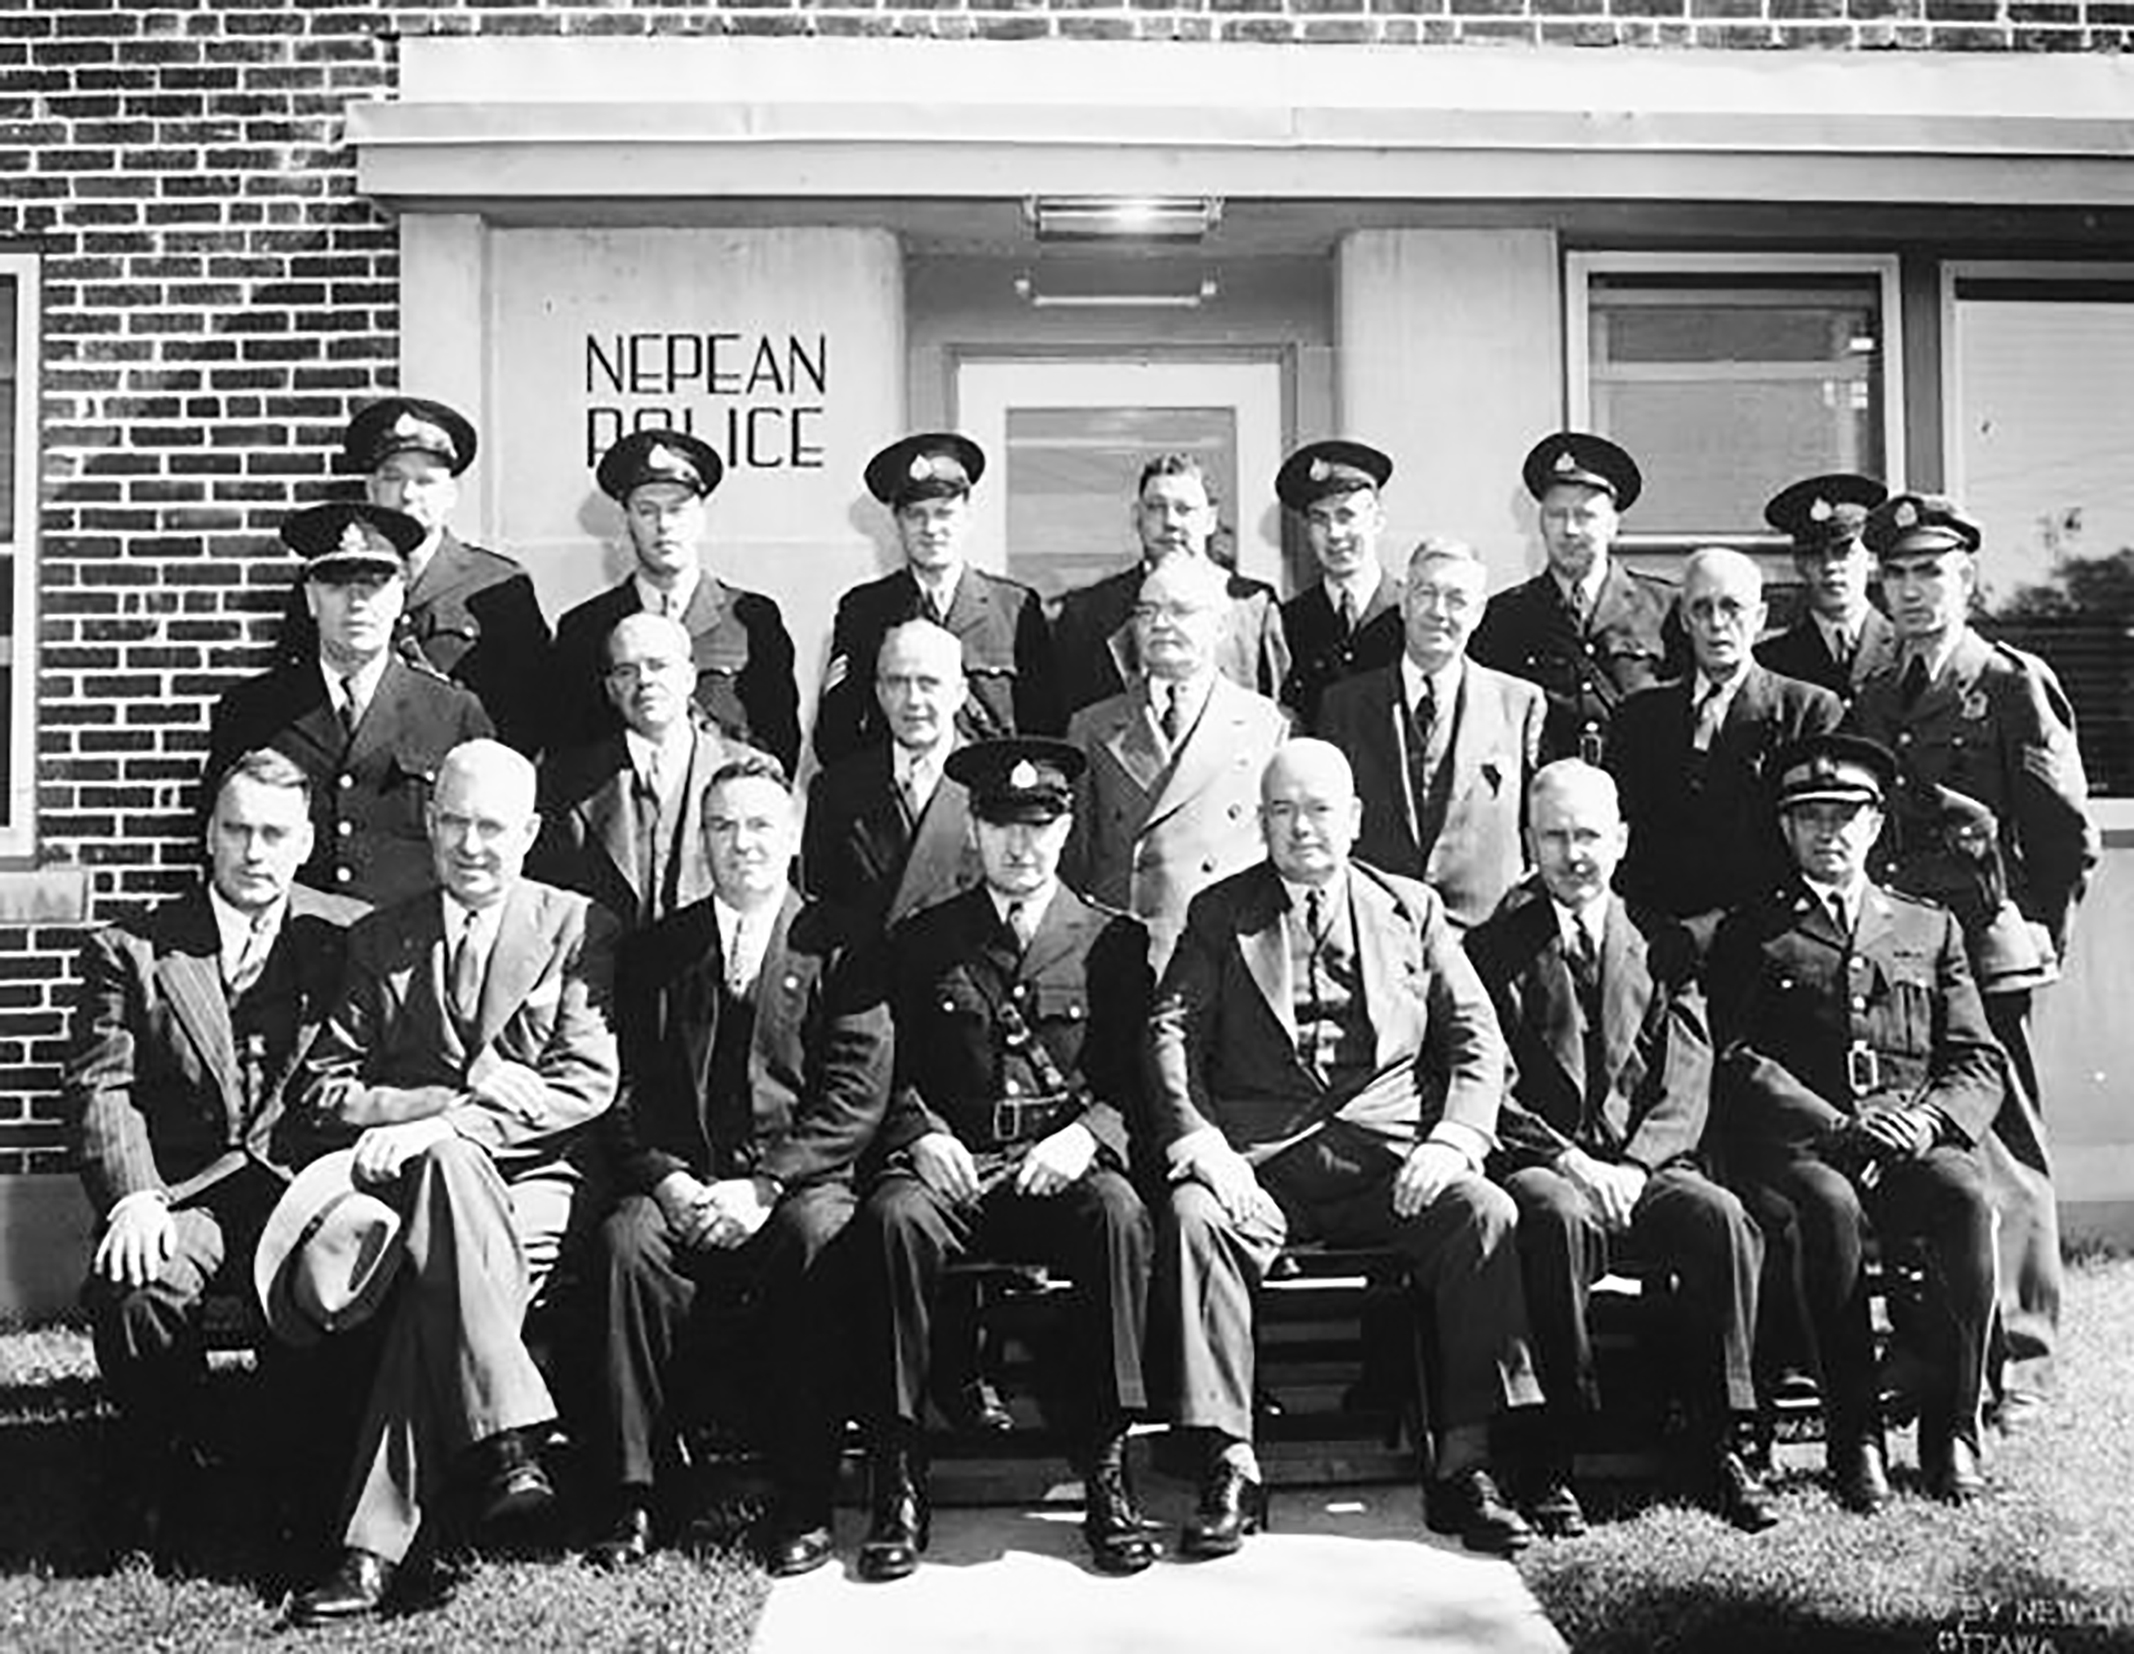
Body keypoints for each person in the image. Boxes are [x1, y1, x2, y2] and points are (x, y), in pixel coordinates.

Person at [1148, 738, 1542, 1560]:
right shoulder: (1220, 915)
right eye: (1283, 810)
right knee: (1192, 1218)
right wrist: (1207, 1147)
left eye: (1320, 808)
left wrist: (1457, 1138)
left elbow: (1476, 1038)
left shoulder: (1414, 909)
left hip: (1390, 1168)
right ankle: (1228, 1463)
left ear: (1355, 818)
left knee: (1485, 1214)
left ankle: (1469, 1466)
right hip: (1265, 1171)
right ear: (1260, 821)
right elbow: (1171, 1033)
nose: (1302, 828)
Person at [280, 739, 620, 1624]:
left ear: (533, 832)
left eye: (494, 828)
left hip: (541, 1181)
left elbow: (585, 1084)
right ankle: (509, 1441)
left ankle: (370, 1551)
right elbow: (323, 1087)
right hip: (421, 1190)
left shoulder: (579, 926)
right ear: (431, 825)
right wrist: (440, 1105)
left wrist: (445, 1130)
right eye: (456, 824)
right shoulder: (381, 937)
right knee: (449, 1236)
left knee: (450, 1206)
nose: (473, 845)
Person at [849, 738, 1159, 1582]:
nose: (1022, 846)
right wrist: (920, 1134)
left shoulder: (1112, 943)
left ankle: (1106, 1469)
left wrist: (1087, 1135)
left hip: (1056, 1164)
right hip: (956, 1163)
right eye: (1001, 825)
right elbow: (884, 1070)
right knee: (891, 1220)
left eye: (1041, 825)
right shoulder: (919, 944)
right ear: (974, 831)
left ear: (1065, 831)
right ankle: (899, 1474)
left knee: (1118, 1215)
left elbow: (1139, 1079)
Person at [587, 753, 891, 1577]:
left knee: (820, 1241)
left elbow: (854, 1098)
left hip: (794, 1186)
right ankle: (634, 1494)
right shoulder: (657, 952)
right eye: (722, 828)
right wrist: (669, 1179)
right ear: (702, 844)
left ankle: (803, 1496)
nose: (741, 844)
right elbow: (621, 1097)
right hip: (685, 1179)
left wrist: (765, 1186)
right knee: (626, 1244)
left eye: (760, 825)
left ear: (790, 836)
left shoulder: (840, 941)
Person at [1464, 760, 1773, 1537]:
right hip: (1546, 1162)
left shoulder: (1664, 945)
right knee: (1552, 1217)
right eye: (1556, 836)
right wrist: (1571, 1161)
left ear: (1623, 840)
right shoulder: (1491, 951)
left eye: (1590, 836)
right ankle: (1553, 1451)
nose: (1575, 854)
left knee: (1722, 1219)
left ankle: (1721, 1439)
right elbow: (1490, 1085)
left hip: (1647, 1165)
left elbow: (1689, 1075)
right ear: (1529, 842)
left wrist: (1636, 1167)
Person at [65, 751, 364, 1554]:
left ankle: (309, 1485)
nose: (254, 851)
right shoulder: (134, 950)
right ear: (208, 835)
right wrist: (133, 1196)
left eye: (274, 833)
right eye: (236, 830)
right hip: (182, 1191)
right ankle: (157, 1469)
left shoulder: (349, 937)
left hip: (302, 1192)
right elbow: (104, 1089)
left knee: (342, 1291)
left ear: (305, 841)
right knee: (138, 1287)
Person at [1846, 493, 2097, 1427]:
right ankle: (1937, 1351)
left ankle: (2024, 1362)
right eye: (1898, 575)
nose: (1913, 593)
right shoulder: (1875, 693)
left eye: (1931, 572)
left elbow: (2066, 835)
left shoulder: (2010, 681)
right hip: (1907, 954)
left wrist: (2034, 933)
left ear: (1967, 578)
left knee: (2007, 1151)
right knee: (1926, 1150)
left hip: (1986, 955)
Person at [1707, 733, 2004, 1511]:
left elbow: (1977, 1060)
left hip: (1907, 1142)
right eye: (1810, 817)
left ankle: (1952, 1430)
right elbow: (1737, 1060)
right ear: (1785, 828)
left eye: (1846, 815)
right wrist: (1836, 1123)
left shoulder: (1926, 927)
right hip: (1805, 1151)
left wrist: (1932, 1121)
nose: (1828, 832)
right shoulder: (1754, 930)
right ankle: (1856, 1435)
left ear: (1875, 826)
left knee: (1966, 1199)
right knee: (1828, 1208)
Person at [208, 501, 494, 908]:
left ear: (400, 597)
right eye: (336, 585)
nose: (356, 602)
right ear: (310, 598)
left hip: (404, 954)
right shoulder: (252, 711)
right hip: (288, 950)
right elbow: (220, 845)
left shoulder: (453, 714)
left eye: (374, 584)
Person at [275, 397, 552, 754]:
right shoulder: (324, 581)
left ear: (452, 492)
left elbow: (531, 712)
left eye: (425, 481)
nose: (407, 495)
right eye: (393, 478)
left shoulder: (497, 584)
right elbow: (295, 689)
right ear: (371, 489)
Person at [1062, 554, 1291, 973]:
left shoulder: (1268, 727)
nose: (1160, 624)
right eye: (1146, 612)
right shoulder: (1092, 727)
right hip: (1122, 957)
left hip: (1222, 958)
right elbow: (1076, 860)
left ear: (1220, 626)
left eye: (1180, 610)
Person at [1607, 548, 1843, 935]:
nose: (1717, 624)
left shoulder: (1809, 711)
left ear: (1760, 617)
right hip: (1660, 935)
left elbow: (1812, 842)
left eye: (1732, 607)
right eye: (1702, 609)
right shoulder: (1639, 717)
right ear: (1684, 620)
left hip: (1765, 938)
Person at [1317, 538, 1543, 929]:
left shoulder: (1519, 703)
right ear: (1403, 602)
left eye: (1456, 599)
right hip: (1377, 933)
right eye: (1426, 593)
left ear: (1478, 612)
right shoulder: (1345, 706)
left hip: (1487, 941)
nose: (1439, 612)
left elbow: (1536, 827)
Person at [551, 429, 800, 772]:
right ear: (627, 521)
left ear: (701, 516)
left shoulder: (752, 619)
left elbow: (779, 741)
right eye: (647, 511)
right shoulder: (587, 627)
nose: (664, 525)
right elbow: (567, 751)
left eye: (677, 509)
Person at [812, 433, 1059, 767]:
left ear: (967, 517)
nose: (931, 529)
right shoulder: (865, 611)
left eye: (944, 513)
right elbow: (835, 733)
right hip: (898, 800)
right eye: (916, 515)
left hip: (991, 797)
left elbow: (1046, 725)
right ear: (897, 523)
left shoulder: (1015, 609)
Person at [530, 612, 755, 932]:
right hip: (603, 973)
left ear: (689, 677)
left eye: (658, 665)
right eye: (626, 671)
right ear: (611, 689)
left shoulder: (748, 772)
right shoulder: (563, 783)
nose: (645, 680)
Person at [1469, 431, 1681, 764]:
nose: (1569, 530)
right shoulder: (1504, 617)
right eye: (1557, 515)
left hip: (1640, 805)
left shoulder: (1666, 609)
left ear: (1613, 525)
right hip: (1545, 806)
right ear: (1539, 523)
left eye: (1585, 516)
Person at [1050, 453, 1290, 717]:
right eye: (1155, 507)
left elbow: (1277, 713)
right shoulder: (1087, 612)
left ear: (1210, 519)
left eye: (1184, 509)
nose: (1171, 522)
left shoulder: (1253, 607)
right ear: (1136, 517)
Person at [803, 617, 985, 935]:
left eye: (928, 683)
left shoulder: (990, 784)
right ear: (879, 693)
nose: (913, 700)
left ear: (959, 694)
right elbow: (824, 914)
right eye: (897, 682)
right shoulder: (835, 791)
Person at [1273, 440, 1405, 730]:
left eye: (1346, 516)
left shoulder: (1412, 612)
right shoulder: (1285, 623)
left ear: (1377, 520)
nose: (1334, 533)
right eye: (1320, 519)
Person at [1755, 473, 1898, 705]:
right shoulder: (1770, 661)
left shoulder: (1910, 648)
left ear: (1870, 557)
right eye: (1814, 555)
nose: (1830, 566)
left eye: (1843, 552)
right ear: (1798, 564)